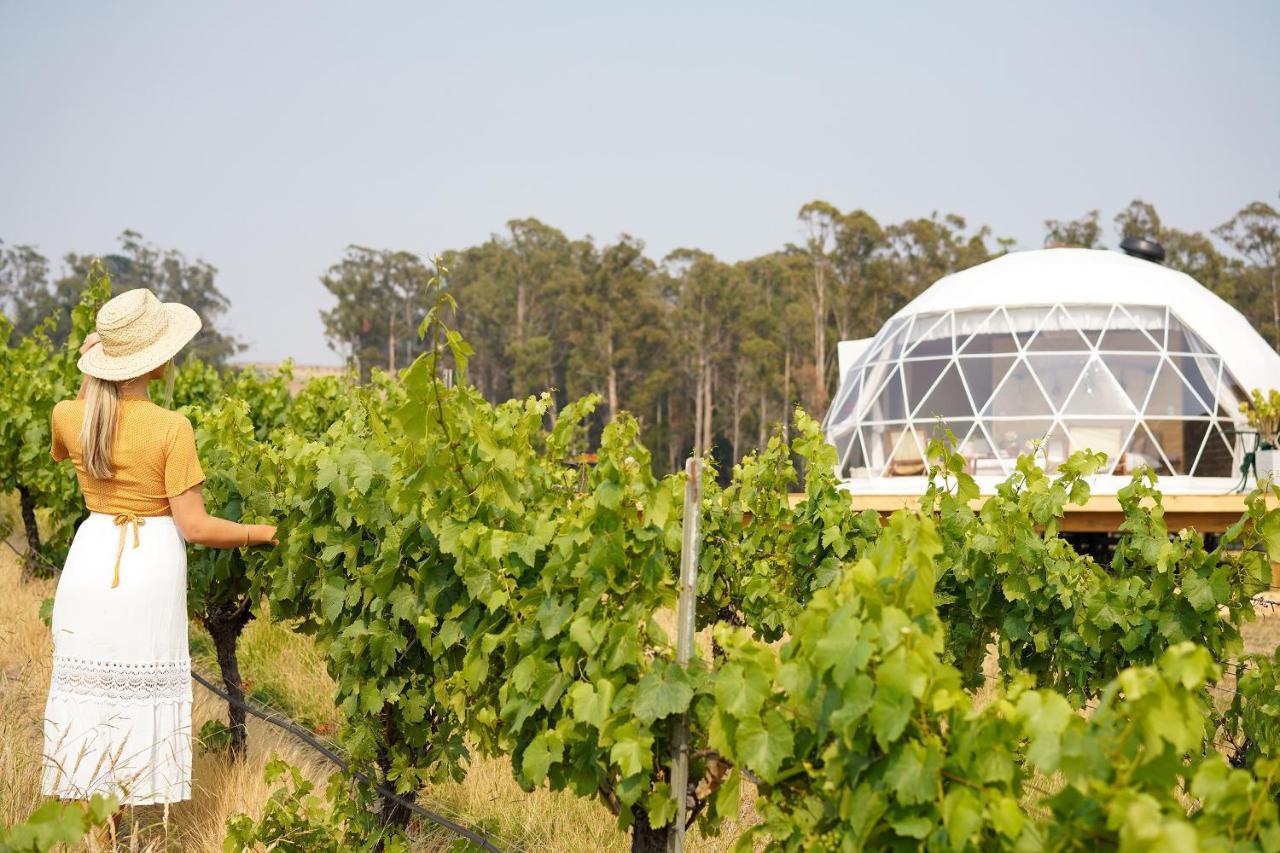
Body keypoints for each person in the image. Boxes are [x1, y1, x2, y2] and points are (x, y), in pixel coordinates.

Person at [40, 287, 277, 823]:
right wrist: (264, 532)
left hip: (90, 558)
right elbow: (194, 526)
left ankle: (91, 825)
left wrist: (93, 365)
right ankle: (119, 818)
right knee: (133, 694)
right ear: (160, 358)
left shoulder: (68, 416)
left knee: (91, 696)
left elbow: (83, 412)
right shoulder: (172, 428)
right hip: (146, 566)